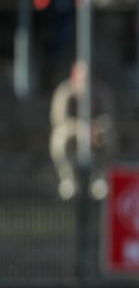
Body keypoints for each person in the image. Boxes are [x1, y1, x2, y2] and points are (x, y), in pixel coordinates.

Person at [49, 61, 117, 200]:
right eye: (81, 78)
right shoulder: (65, 91)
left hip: (95, 134)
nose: (85, 83)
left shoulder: (100, 91)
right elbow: (59, 119)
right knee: (59, 137)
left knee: (109, 133)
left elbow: (109, 117)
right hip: (73, 135)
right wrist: (81, 128)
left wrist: (93, 128)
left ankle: (99, 178)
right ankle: (68, 180)